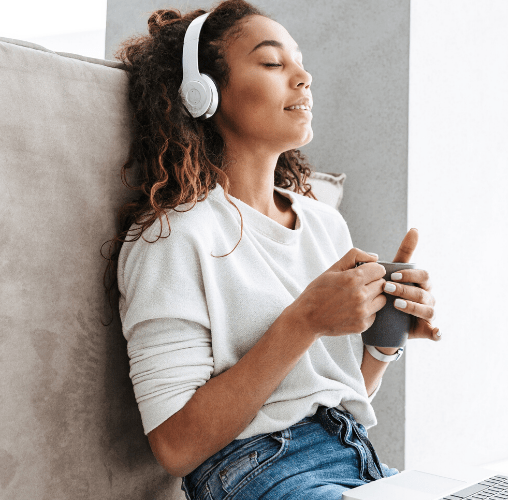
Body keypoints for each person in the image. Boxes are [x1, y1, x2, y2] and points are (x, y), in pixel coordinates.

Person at [101, 1, 440, 498]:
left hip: (356, 458)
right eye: (273, 63)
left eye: (299, 61)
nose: (303, 76)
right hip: (255, 472)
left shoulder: (323, 222)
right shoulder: (174, 236)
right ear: (205, 95)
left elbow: (329, 394)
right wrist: (304, 320)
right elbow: (174, 447)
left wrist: (387, 337)